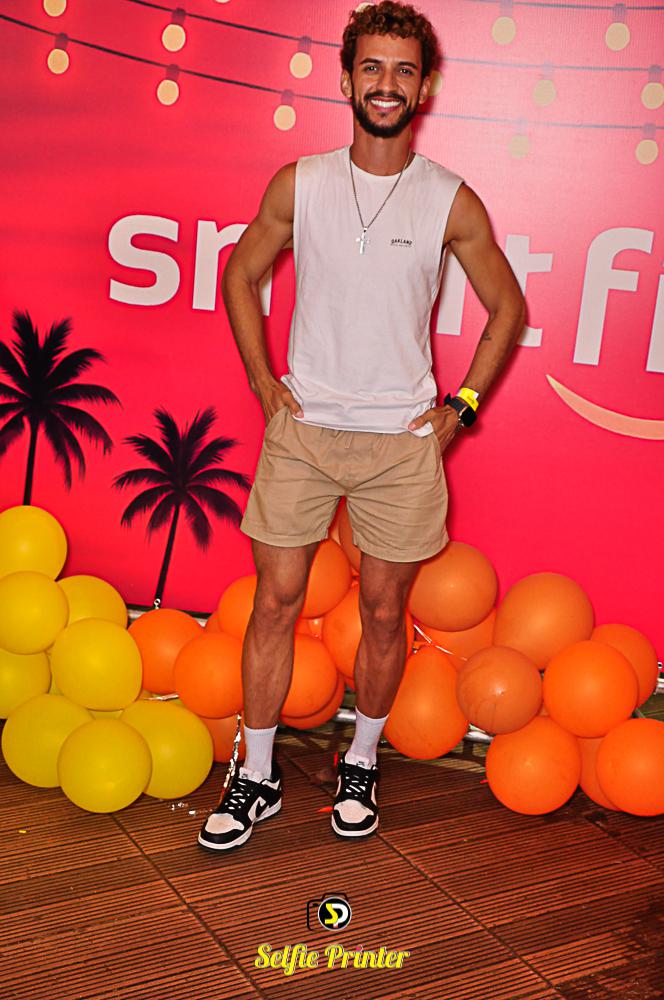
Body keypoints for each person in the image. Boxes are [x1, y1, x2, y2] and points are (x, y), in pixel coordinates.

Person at [198, 0, 525, 852]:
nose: (387, 84)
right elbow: (240, 276)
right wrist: (263, 381)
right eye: (372, 68)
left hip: (401, 444)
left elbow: (507, 307)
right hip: (304, 432)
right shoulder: (299, 183)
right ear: (346, 81)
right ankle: (257, 774)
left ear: (425, 87)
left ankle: (362, 761)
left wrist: (461, 408)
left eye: (403, 70)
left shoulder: (450, 199)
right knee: (275, 603)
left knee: (384, 616)